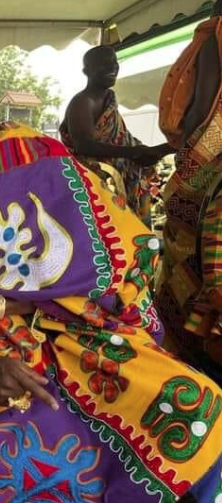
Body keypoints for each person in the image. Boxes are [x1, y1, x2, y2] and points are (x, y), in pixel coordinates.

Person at [0, 47, 222, 502]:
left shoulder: (31, 156)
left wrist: (2, 303)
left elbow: (110, 264)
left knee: (194, 402)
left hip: (56, 320)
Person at [155, 0, 222, 384]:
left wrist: (189, 159)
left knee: (189, 259)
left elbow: (198, 110)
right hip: (210, 160)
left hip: (207, 164)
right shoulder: (216, 33)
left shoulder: (215, 35)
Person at [60, 45, 172, 227]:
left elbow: (122, 142)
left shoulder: (108, 101)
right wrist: (133, 153)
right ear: (86, 71)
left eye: (114, 62)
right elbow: (83, 146)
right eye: (104, 64)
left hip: (119, 181)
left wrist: (152, 151)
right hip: (98, 187)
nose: (113, 67)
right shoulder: (82, 102)